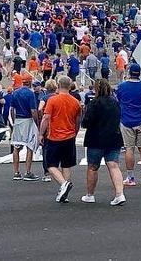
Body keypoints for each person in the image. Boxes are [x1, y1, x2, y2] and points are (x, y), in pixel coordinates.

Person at [80, 78, 126, 205]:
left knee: (93, 167)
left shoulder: (94, 103)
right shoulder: (115, 102)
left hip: (96, 139)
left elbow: (86, 122)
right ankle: (119, 193)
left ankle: (90, 194)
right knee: (114, 165)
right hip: (114, 137)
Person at [40, 75, 81, 204]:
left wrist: (41, 133)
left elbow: (46, 118)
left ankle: (63, 184)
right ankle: (65, 191)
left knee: (50, 165)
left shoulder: (52, 100)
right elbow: (78, 120)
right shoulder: (75, 102)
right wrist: (75, 132)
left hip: (54, 136)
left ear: (58, 85)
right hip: (69, 136)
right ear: (70, 86)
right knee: (66, 164)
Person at [116, 62, 141, 186]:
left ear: (129, 72)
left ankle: (131, 177)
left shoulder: (122, 86)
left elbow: (119, 100)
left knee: (129, 148)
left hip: (127, 120)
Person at [9, 79, 39, 181]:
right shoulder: (30, 94)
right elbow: (33, 110)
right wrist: (37, 123)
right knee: (29, 146)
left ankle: (16, 172)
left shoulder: (15, 92)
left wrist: (14, 121)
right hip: (28, 120)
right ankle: (28, 171)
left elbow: (12, 109)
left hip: (18, 119)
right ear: (30, 83)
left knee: (16, 146)